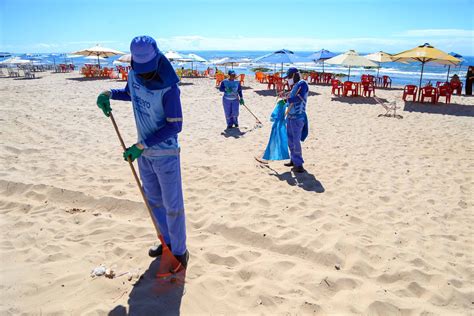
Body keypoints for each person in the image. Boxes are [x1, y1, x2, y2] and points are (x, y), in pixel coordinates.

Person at [96, 36, 188, 268]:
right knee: (154, 202)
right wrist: (109, 93)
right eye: (141, 69)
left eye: (148, 70)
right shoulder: (134, 74)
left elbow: (175, 125)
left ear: (157, 59)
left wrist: (140, 146)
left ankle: (179, 251)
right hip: (143, 154)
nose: (145, 75)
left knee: (172, 205)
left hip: (165, 154)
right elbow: (131, 94)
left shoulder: (169, 88)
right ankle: (165, 242)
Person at [281, 67, 309, 173]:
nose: (288, 79)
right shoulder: (295, 86)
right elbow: (292, 96)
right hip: (290, 117)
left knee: (296, 141)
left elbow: (299, 98)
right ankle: (293, 160)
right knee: (290, 140)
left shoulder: (303, 84)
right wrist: (286, 95)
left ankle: (299, 164)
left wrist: (287, 99)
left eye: (289, 77)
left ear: (294, 75)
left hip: (298, 117)